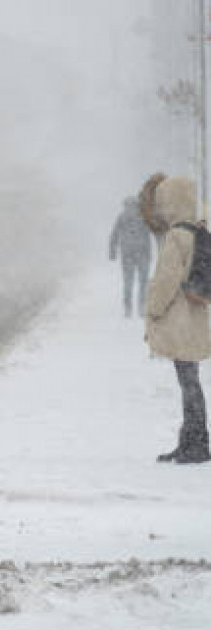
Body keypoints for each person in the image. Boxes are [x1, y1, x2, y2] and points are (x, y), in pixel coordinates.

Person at [142, 175, 211, 464]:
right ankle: (191, 440)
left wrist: (154, 310)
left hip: (180, 318)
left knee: (189, 382)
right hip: (196, 315)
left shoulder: (176, 235)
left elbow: (166, 279)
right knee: (190, 380)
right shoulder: (198, 229)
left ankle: (196, 444)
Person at [109, 195, 152, 317]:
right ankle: (141, 307)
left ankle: (128, 308)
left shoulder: (122, 217)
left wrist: (113, 251)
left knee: (128, 282)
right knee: (142, 282)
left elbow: (114, 235)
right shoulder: (142, 217)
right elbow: (148, 236)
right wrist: (149, 254)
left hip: (127, 254)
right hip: (142, 254)